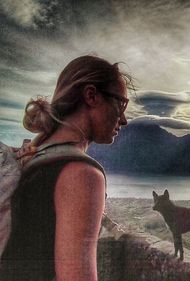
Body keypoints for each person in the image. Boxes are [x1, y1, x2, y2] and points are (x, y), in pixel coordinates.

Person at [0, 55, 132, 281]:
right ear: (91, 95)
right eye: (121, 104)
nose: (124, 119)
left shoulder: (31, 158)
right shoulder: (82, 174)